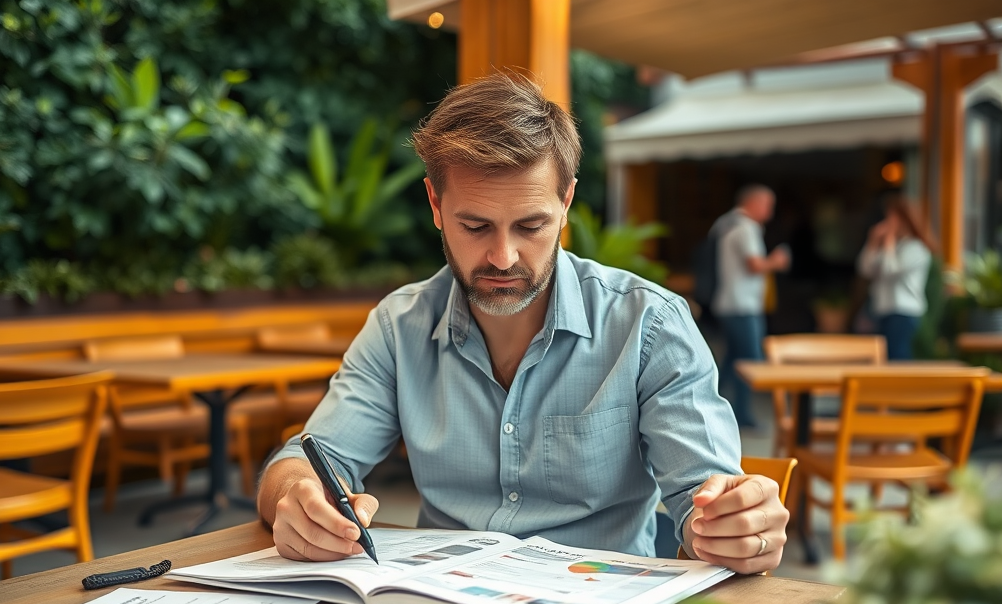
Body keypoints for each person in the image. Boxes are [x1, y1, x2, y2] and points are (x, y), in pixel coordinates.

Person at [257, 74, 790, 575]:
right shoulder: (399, 326)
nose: (504, 256)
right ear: (436, 205)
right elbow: (303, 460)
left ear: (566, 203)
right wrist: (297, 497)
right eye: (475, 225)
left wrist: (730, 525)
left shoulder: (648, 325)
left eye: (531, 225)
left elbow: (703, 498)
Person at [710, 186, 791, 428]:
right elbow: (755, 265)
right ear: (753, 203)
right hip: (742, 305)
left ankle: (714, 408)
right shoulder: (746, 228)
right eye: (767, 205)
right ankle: (741, 416)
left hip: (727, 301)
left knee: (732, 360)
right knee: (750, 362)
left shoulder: (724, 224)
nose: (770, 212)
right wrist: (777, 262)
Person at [857, 198, 933, 360]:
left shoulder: (917, 248)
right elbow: (865, 269)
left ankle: (902, 386)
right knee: (883, 357)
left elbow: (890, 270)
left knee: (897, 356)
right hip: (882, 309)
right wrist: (872, 243)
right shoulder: (891, 248)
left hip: (903, 311)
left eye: (892, 219)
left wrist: (888, 242)